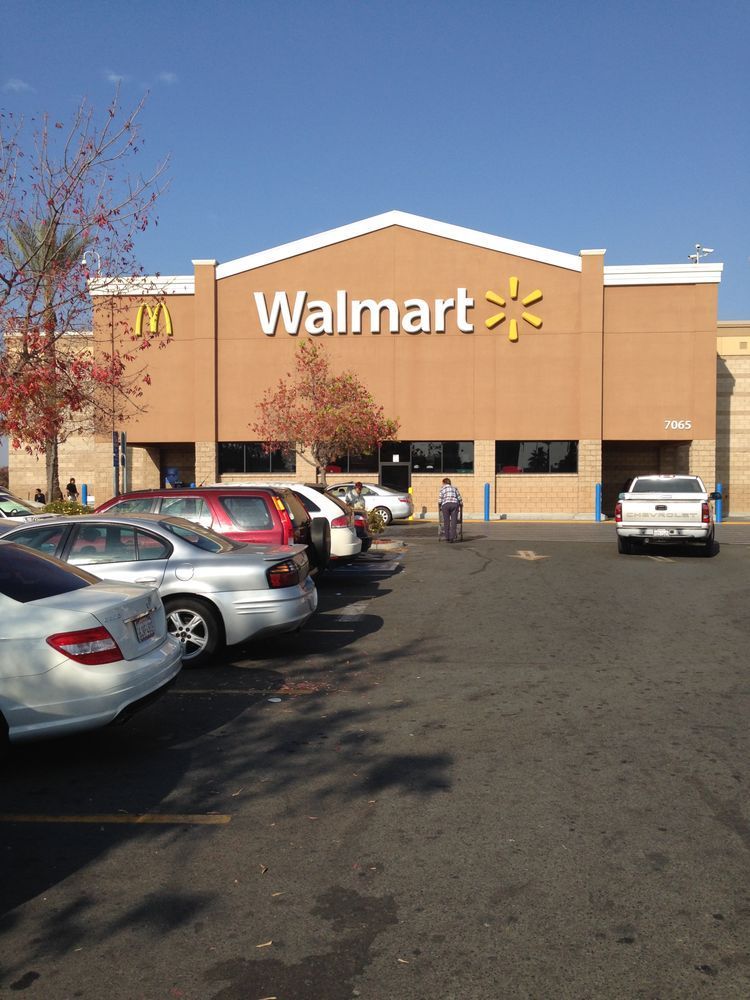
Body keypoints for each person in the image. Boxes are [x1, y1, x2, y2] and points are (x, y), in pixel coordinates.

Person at [439, 477, 462, 542]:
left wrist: (440, 505)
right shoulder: (454, 488)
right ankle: (452, 537)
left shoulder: (442, 489)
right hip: (454, 504)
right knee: (454, 521)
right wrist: (460, 503)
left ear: (444, 483)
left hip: (446, 505)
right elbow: (459, 497)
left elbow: (440, 499)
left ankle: (447, 537)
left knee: (446, 521)